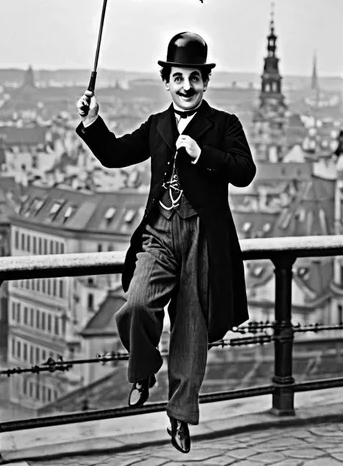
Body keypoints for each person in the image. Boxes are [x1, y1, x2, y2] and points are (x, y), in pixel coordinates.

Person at [76, 32, 256, 454]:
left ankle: (179, 416)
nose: (187, 86)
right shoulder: (158, 125)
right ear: (167, 80)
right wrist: (91, 122)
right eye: (179, 77)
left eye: (195, 78)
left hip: (201, 237)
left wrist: (201, 154)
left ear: (206, 82)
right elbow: (116, 154)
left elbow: (245, 171)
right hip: (159, 232)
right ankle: (143, 369)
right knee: (137, 303)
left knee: (191, 331)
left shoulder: (224, 124)